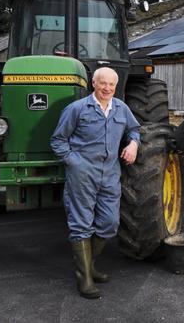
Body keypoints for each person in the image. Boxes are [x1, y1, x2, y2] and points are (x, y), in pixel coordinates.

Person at [50, 67, 140, 299]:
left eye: (111, 84)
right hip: (82, 174)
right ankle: (85, 279)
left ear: (116, 86)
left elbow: (134, 130)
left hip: (110, 174)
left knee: (109, 222)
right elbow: (58, 140)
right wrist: (74, 162)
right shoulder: (77, 109)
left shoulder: (122, 108)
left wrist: (133, 145)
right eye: (103, 83)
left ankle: (89, 266)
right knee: (81, 224)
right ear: (94, 83)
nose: (107, 88)